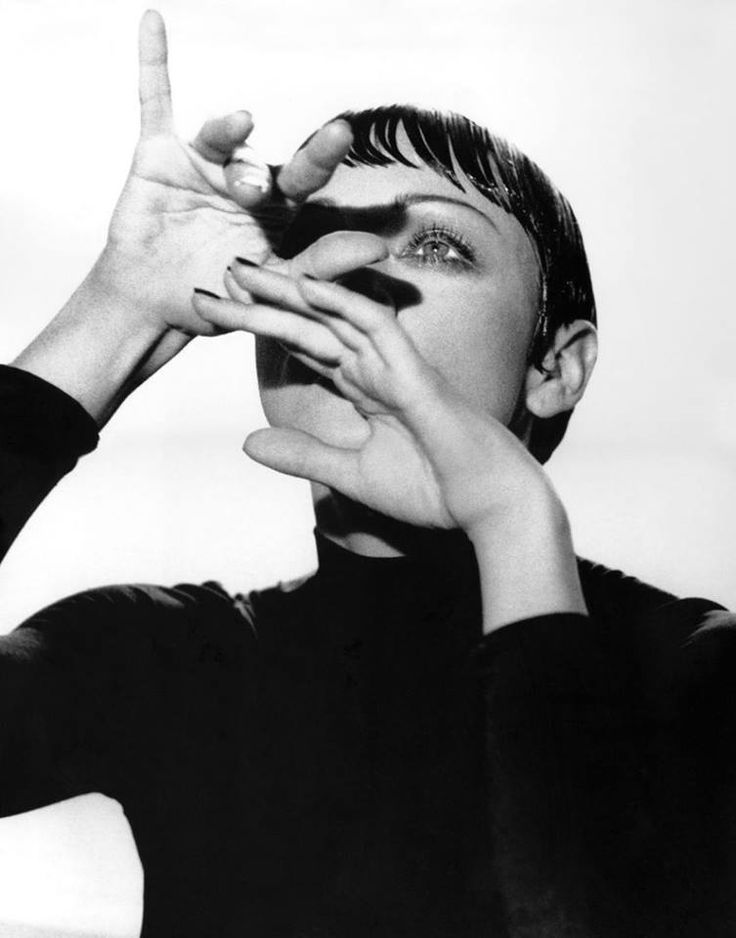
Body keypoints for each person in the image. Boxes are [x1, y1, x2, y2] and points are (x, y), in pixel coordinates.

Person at [1, 9, 734, 937]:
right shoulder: (153, 657)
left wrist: (515, 524)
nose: (347, 279)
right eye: (311, 245)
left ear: (555, 367)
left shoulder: (695, 672)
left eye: (436, 245)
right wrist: (111, 316)